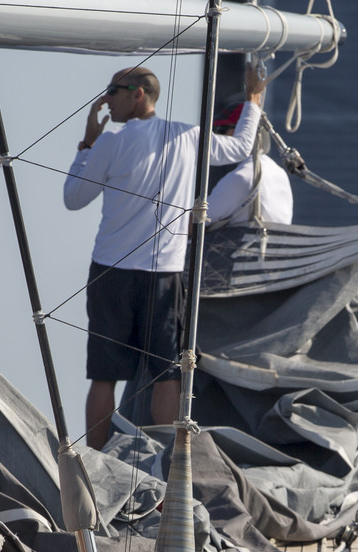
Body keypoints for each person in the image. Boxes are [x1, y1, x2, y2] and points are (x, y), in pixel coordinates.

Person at [64, 64, 266, 449]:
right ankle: (173, 467)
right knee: (166, 375)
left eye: (113, 91)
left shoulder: (111, 143)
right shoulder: (188, 135)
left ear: (138, 94)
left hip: (111, 274)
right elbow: (241, 147)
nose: (105, 99)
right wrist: (253, 100)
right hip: (163, 277)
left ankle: (94, 464)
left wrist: (87, 145)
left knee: (105, 376)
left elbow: (73, 199)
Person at [207, 102, 293, 228]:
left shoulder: (241, 177)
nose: (218, 138)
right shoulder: (279, 173)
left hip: (245, 246)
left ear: (244, 131)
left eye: (221, 130)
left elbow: (194, 224)